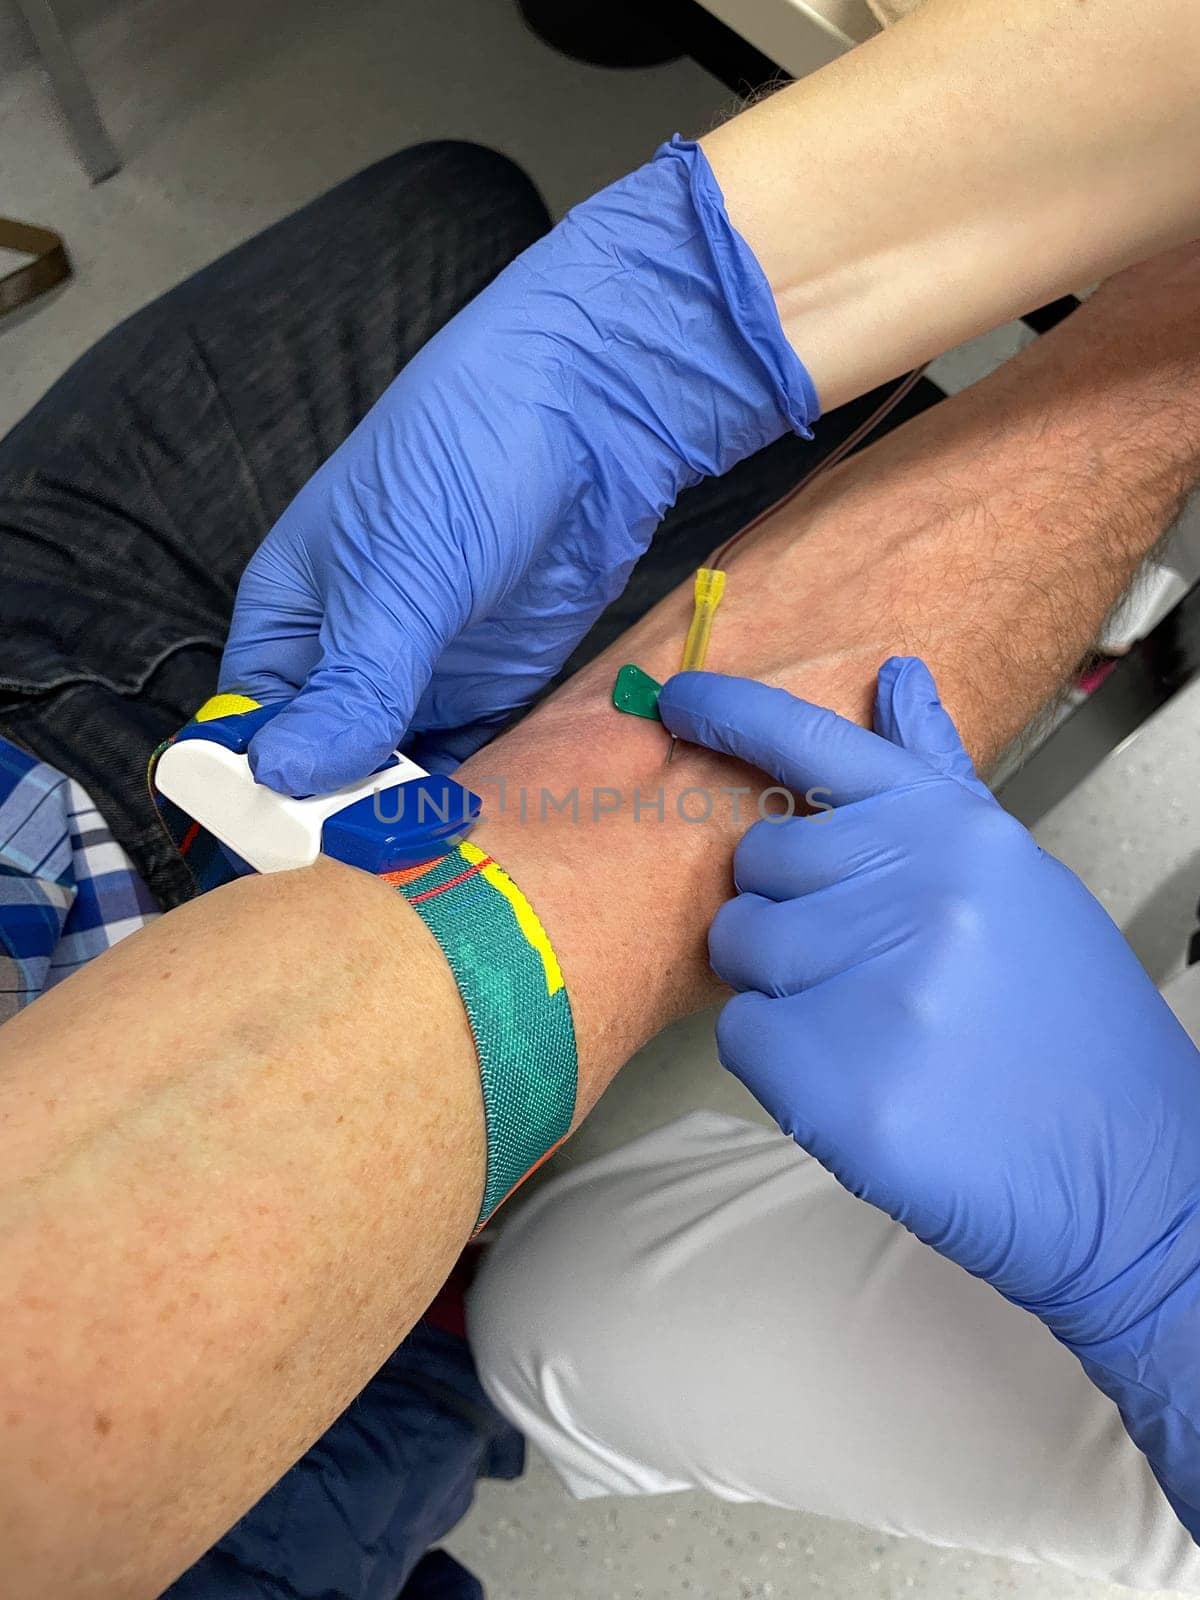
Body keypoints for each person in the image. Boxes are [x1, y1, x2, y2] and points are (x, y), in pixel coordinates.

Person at [2, 0, 1200, 1593]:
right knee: (571, 1304)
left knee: (453, 209)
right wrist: (671, 318)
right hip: (246, 1076)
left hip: (47, 732)